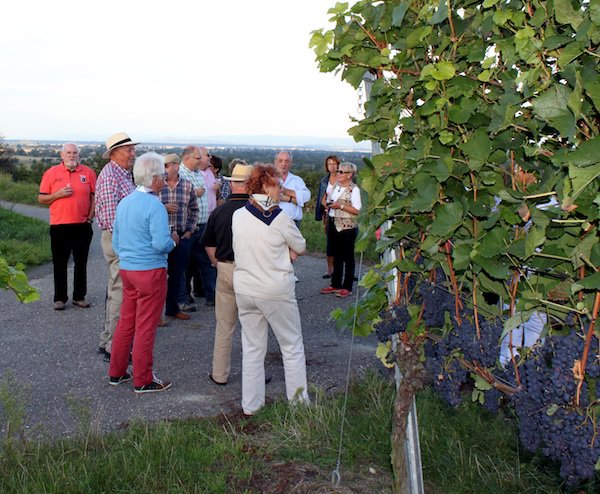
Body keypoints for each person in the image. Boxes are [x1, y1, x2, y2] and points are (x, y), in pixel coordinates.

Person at [232, 163, 310, 415]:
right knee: (292, 346)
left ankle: (251, 405)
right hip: (274, 289)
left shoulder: (238, 214)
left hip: (245, 288)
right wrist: (286, 251)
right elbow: (301, 246)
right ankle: (299, 405)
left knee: (253, 349)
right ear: (266, 185)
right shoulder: (280, 217)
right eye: (278, 184)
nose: (282, 190)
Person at [108, 152, 178, 393]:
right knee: (146, 326)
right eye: (164, 176)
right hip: (150, 271)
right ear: (155, 178)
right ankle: (143, 379)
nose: (166, 179)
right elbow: (161, 244)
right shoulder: (155, 206)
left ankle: (117, 372)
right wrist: (174, 241)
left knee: (126, 321)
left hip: (128, 268)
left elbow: (116, 242)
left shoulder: (125, 202)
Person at [202, 163, 253, 385]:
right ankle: (254, 375)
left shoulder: (219, 211)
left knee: (224, 326)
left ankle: (219, 374)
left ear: (231, 184)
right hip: (251, 271)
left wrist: (217, 263)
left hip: (225, 267)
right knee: (253, 327)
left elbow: (208, 243)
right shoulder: (257, 211)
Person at [95, 132, 138, 361]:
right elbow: (112, 220)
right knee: (120, 292)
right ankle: (114, 347)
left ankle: (109, 341)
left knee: (117, 292)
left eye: (132, 149)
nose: (133, 153)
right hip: (119, 241)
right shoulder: (112, 175)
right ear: (114, 153)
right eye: (129, 149)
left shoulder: (122, 174)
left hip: (122, 240)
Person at [38, 143, 96, 310]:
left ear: (79, 155)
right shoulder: (51, 173)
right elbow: (41, 199)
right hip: (59, 226)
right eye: (68, 153)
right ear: (62, 155)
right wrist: (58, 194)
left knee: (81, 263)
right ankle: (60, 298)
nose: (72, 155)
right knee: (60, 263)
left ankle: (79, 297)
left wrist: (90, 218)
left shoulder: (88, 172)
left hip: (82, 226)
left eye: (75, 153)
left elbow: (94, 198)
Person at [159, 153, 199, 321]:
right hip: (161, 236)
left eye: (170, 165)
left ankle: (172, 309)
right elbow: (147, 209)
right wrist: (164, 208)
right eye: (165, 165)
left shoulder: (188, 186)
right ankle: (156, 315)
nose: (167, 168)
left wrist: (189, 231)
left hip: (181, 236)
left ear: (176, 165)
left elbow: (194, 210)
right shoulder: (157, 186)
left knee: (177, 274)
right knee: (159, 275)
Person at [178, 145, 216, 308]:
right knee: (185, 265)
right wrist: (193, 193)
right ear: (187, 158)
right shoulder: (180, 175)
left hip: (203, 224)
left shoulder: (197, 174)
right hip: (188, 227)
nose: (201, 161)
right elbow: (175, 199)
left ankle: (212, 295)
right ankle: (184, 297)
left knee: (207, 261)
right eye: (197, 158)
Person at [320, 162, 362, 298]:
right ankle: (335, 284)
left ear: (350, 175)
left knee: (347, 257)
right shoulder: (335, 187)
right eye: (338, 171)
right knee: (336, 255)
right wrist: (327, 204)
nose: (337, 173)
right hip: (333, 224)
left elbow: (357, 210)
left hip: (347, 227)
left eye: (341, 172)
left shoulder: (354, 190)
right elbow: (326, 199)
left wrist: (340, 206)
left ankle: (347, 286)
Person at [315, 155, 340, 279]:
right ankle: (330, 270)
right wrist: (325, 205)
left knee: (344, 245)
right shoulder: (324, 181)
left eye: (334, 163)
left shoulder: (343, 179)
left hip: (343, 215)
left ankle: (345, 271)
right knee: (330, 244)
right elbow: (321, 198)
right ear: (327, 166)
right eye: (330, 164)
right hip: (329, 215)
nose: (332, 166)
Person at [274, 151, 311, 228]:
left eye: (286, 161)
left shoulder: (297, 180)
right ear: (275, 162)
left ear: (290, 163)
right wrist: (294, 199)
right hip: (273, 223)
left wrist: (286, 192)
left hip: (294, 223)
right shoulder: (269, 179)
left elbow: (307, 196)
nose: (283, 164)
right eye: (280, 160)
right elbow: (268, 197)